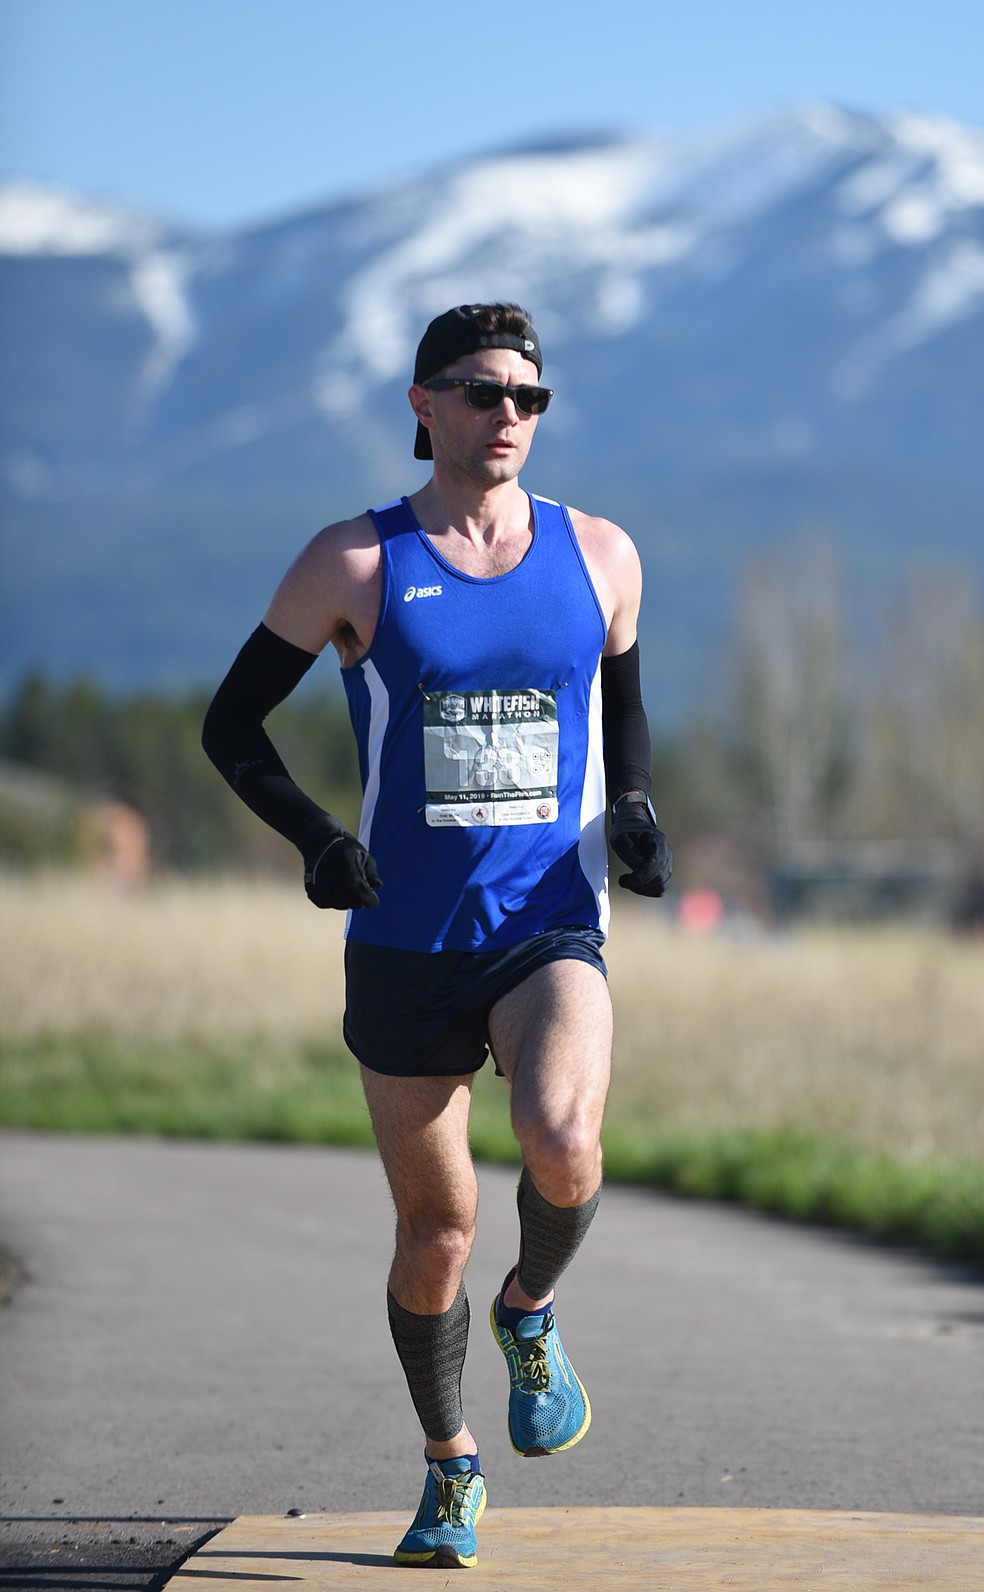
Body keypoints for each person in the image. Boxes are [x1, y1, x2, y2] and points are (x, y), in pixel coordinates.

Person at [202, 302, 672, 1569]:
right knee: (437, 1231)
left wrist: (631, 814)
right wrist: (317, 838)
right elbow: (232, 726)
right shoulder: (354, 562)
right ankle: (451, 1460)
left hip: (548, 923)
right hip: (404, 942)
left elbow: (624, 709)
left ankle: (532, 1308)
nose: (508, 415)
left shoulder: (602, 554)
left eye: (529, 397)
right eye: (480, 392)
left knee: (565, 1142)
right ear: (423, 405)